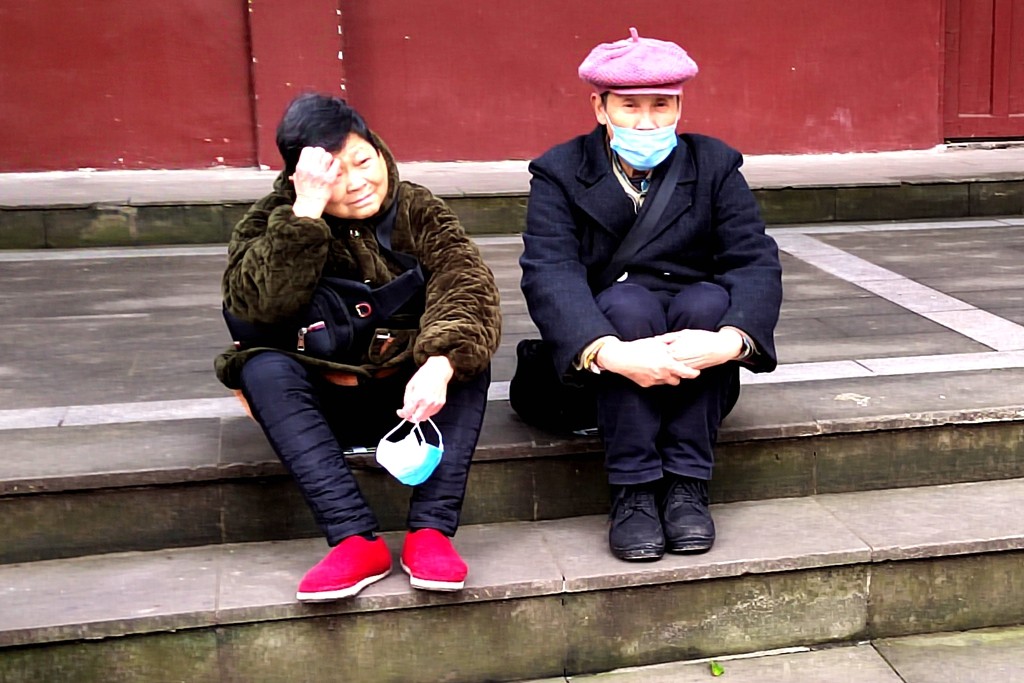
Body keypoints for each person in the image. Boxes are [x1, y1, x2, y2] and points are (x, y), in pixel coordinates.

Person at [216, 93, 501, 600]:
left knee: (464, 355)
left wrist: (439, 363)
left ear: (378, 149)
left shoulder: (418, 209)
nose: (355, 182)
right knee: (261, 368)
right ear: (300, 176)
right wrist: (305, 215)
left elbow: (467, 285)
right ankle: (354, 538)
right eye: (332, 173)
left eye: (363, 161)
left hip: (412, 404)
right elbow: (256, 308)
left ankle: (431, 533)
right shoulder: (269, 220)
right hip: (319, 406)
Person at [520, 28, 782, 562]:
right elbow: (551, 270)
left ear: (679, 107)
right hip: (609, 359)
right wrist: (608, 351)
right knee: (627, 304)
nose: (646, 122)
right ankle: (634, 490)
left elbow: (752, 259)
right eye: (629, 106)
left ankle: (687, 483)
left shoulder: (714, 165)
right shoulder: (560, 172)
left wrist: (731, 341)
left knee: (708, 303)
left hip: (697, 352)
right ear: (600, 108)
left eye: (661, 106)